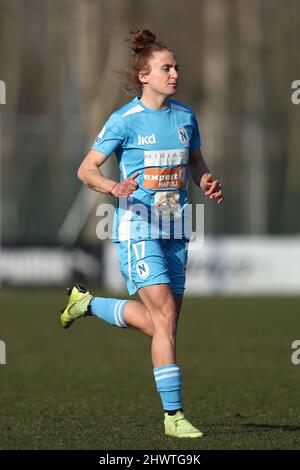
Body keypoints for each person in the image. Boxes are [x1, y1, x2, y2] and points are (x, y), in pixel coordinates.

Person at [60, 29, 223, 438]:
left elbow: (196, 161)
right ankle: (173, 416)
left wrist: (205, 181)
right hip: (137, 227)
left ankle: (88, 305)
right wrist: (113, 187)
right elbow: (86, 170)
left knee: (161, 325)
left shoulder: (185, 116)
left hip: (176, 227)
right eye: (166, 68)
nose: (175, 74)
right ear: (144, 76)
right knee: (164, 318)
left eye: (176, 67)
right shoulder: (124, 120)